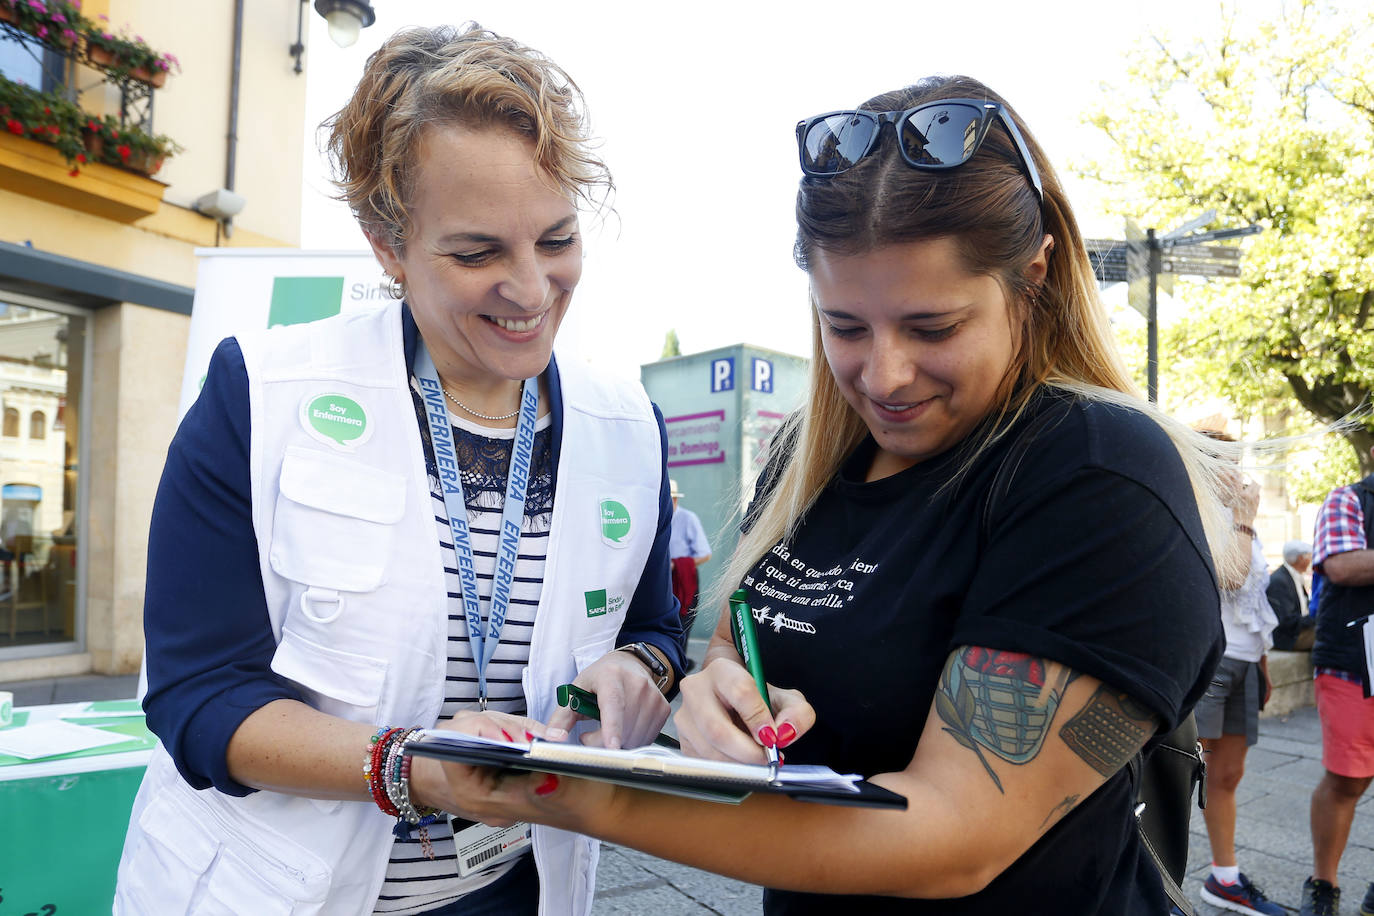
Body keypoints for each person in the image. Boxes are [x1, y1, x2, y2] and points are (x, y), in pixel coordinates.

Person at [436, 75, 1232, 914]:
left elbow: (951, 841)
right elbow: (740, 644)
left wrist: (552, 789)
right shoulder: (806, 458)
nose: (883, 376)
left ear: (1032, 278)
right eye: (844, 326)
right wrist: (718, 702)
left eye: (933, 328)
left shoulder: (1095, 473)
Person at [114, 24, 684, 916]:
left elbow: (655, 625)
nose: (532, 290)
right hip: (277, 892)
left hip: (516, 891)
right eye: (476, 253)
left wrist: (643, 672)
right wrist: (404, 766)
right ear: (388, 244)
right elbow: (198, 693)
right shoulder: (261, 394)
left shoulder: (630, 426)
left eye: (558, 238)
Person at [1191, 432, 1283, 916]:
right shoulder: (1199, 510)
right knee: (1180, 772)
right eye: (1223, 462)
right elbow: (1230, 574)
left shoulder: (1240, 519)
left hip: (1246, 660)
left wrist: (1265, 664)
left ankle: (1223, 878)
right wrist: (1243, 520)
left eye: (1236, 462)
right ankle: (1154, 872)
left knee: (1228, 773)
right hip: (1212, 659)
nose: (1235, 473)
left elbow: (1256, 602)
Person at [1299, 446, 1374, 916]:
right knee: (1348, 779)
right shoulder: (1347, 499)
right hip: (1352, 662)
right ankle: (1323, 885)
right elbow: (1343, 566)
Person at [668, 478, 711, 620]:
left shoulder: (688, 518)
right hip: (661, 581)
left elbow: (705, 554)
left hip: (683, 578)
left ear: (674, 501)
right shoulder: (654, 520)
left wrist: (676, 565)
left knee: (682, 626)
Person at [1267, 540, 1315, 651]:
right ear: (1300, 559)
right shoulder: (1280, 581)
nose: (1310, 560)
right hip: (1288, 638)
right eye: (1309, 557)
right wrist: (1315, 618)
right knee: (1326, 634)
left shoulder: (1294, 576)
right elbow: (1287, 621)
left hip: (1297, 630)